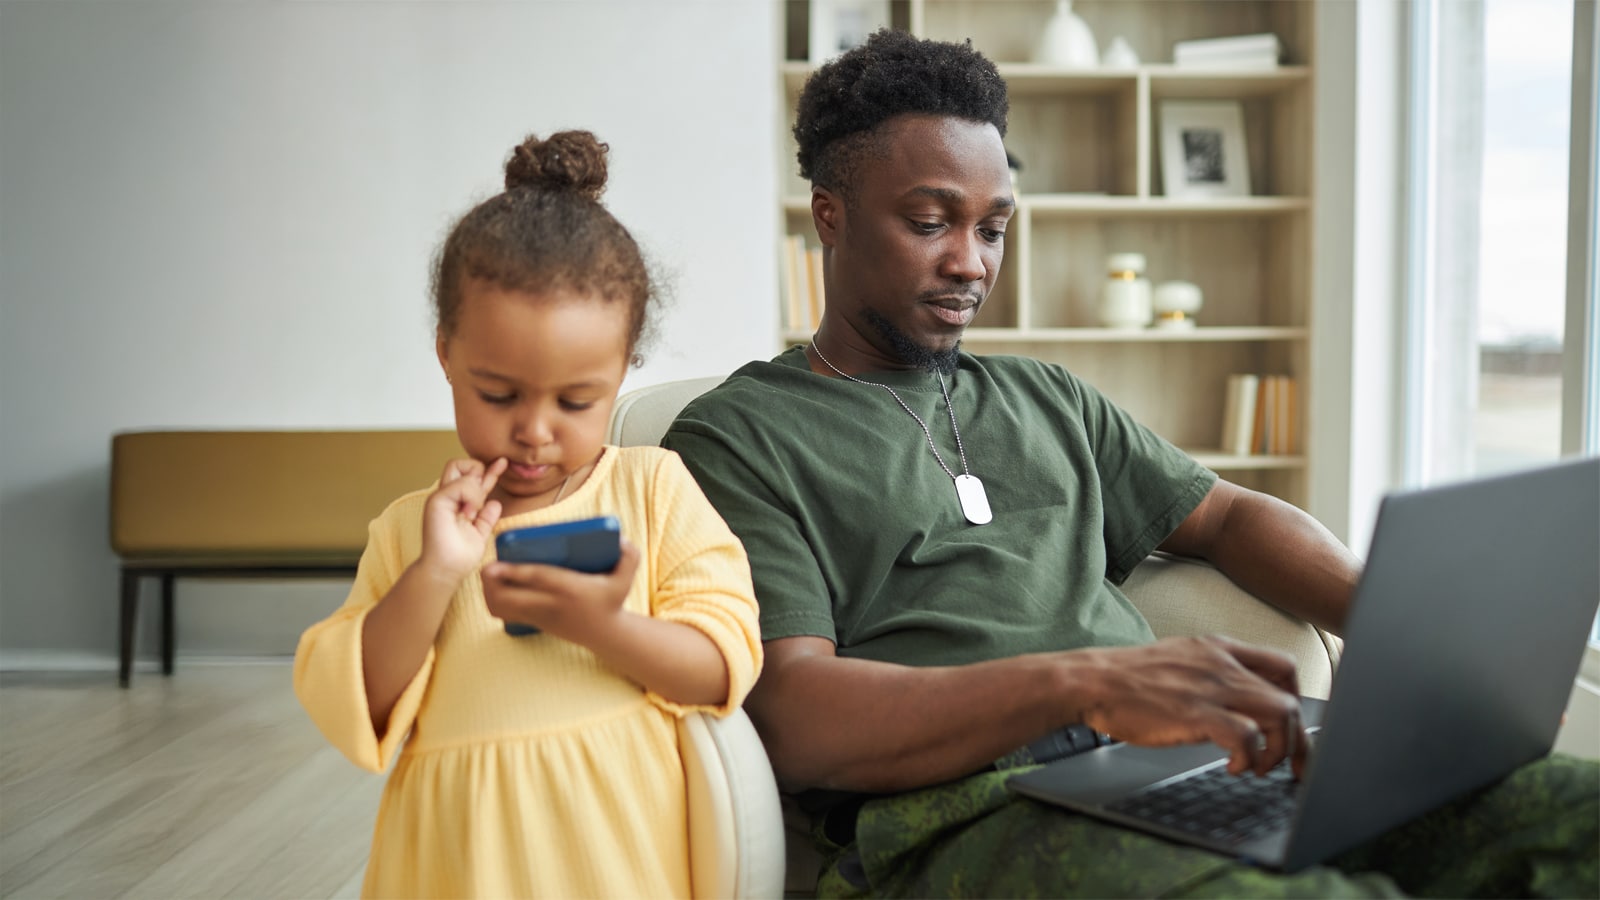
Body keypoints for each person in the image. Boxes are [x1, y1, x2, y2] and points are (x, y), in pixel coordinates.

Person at [661, 30, 1597, 899]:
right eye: (931, 221)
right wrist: (1089, 683)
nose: (971, 263)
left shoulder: (1046, 397)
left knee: (1570, 817)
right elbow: (793, 713)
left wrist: (1408, 640)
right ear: (831, 216)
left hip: (1170, 761)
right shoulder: (737, 438)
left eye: (991, 228)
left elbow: (1226, 517)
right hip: (965, 813)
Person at [294, 130, 762, 898]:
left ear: (623, 368)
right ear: (446, 352)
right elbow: (360, 703)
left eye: (577, 401)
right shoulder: (414, 530)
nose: (536, 430)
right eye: (499, 394)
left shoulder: (655, 488)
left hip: (619, 856)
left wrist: (604, 627)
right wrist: (437, 572)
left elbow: (723, 666)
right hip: (457, 862)